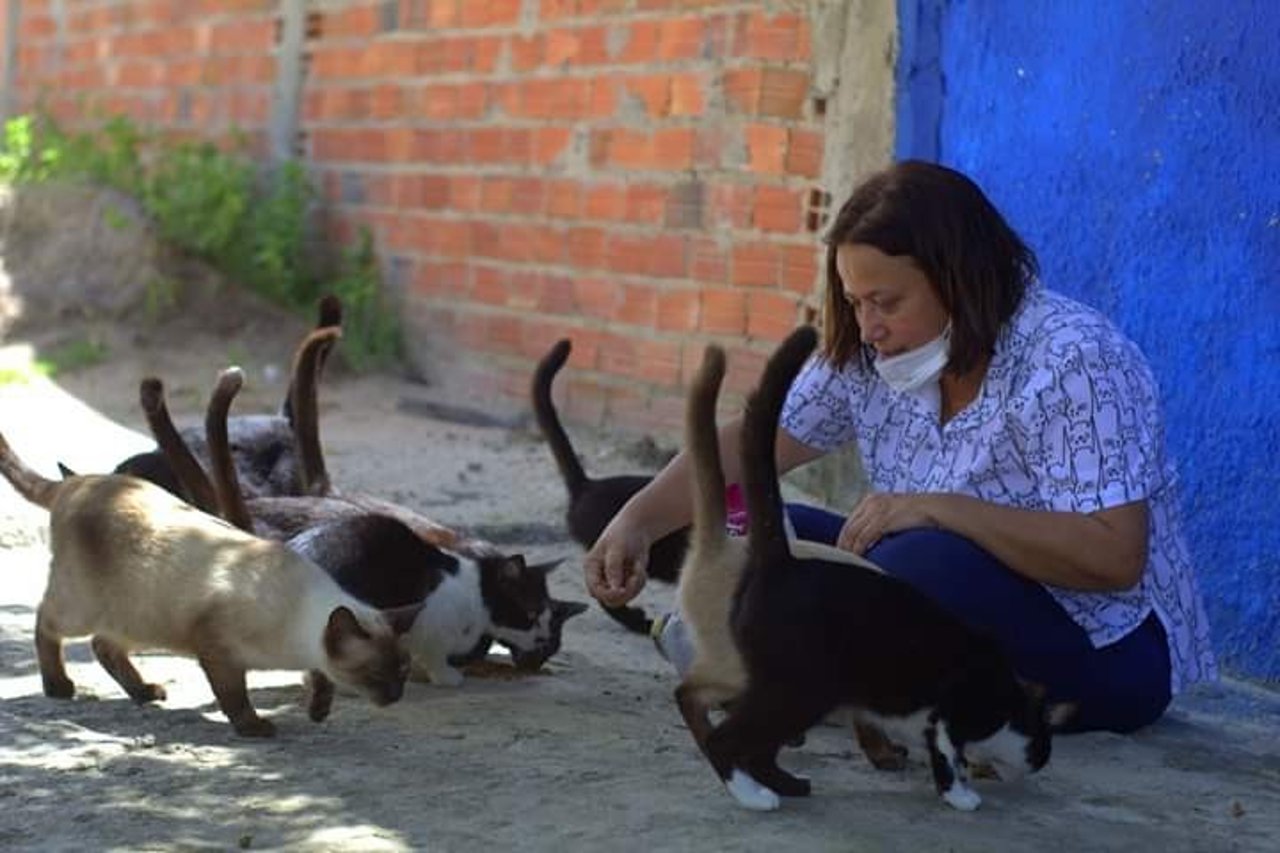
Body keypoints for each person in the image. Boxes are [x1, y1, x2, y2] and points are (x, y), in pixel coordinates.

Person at [583, 160, 1216, 734]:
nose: (868, 326)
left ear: (959, 279)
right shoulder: (873, 350)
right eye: (856, 303)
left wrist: (941, 507)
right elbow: (752, 442)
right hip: (946, 610)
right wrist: (635, 521)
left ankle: (792, 672)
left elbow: (1115, 556)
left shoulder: (1075, 360)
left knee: (918, 562)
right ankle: (810, 672)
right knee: (765, 528)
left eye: (886, 302)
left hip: (1106, 649)